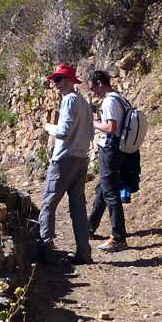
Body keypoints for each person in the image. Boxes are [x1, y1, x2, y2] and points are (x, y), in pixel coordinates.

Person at [37, 63, 94, 265]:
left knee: (48, 203)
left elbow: (63, 130)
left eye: (58, 79)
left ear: (69, 81)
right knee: (78, 207)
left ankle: (46, 250)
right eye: (55, 80)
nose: (55, 83)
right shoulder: (84, 103)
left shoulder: (69, 100)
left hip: (65, 159)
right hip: (81, 158)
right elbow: (91, 132)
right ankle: (84, 253)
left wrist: (48, 127)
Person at [86, 70, 130, 251]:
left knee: (110, 193)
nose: (93, 92)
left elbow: (111, 128)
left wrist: (93, 123)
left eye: (93, 88)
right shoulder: (121, 99)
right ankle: (89, 227)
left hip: (110, 149)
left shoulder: (110, 101)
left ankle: (118, 238)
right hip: (121, 150)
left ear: (100, 84)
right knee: (103, 188)